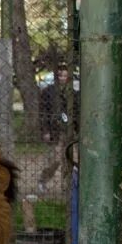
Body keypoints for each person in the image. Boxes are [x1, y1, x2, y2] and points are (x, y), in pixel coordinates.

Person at [37, 65, 79, 193]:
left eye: (65, 76)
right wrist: (45, 131)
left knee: (71, 160)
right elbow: (43, 113)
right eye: (60, 75)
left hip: (71, 131)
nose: (62, 78)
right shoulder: (47, 92)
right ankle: (43, 180)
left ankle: (67, 187)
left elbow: (77, 112)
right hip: (55, 131)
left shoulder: (74, 93)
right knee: (54, 160)